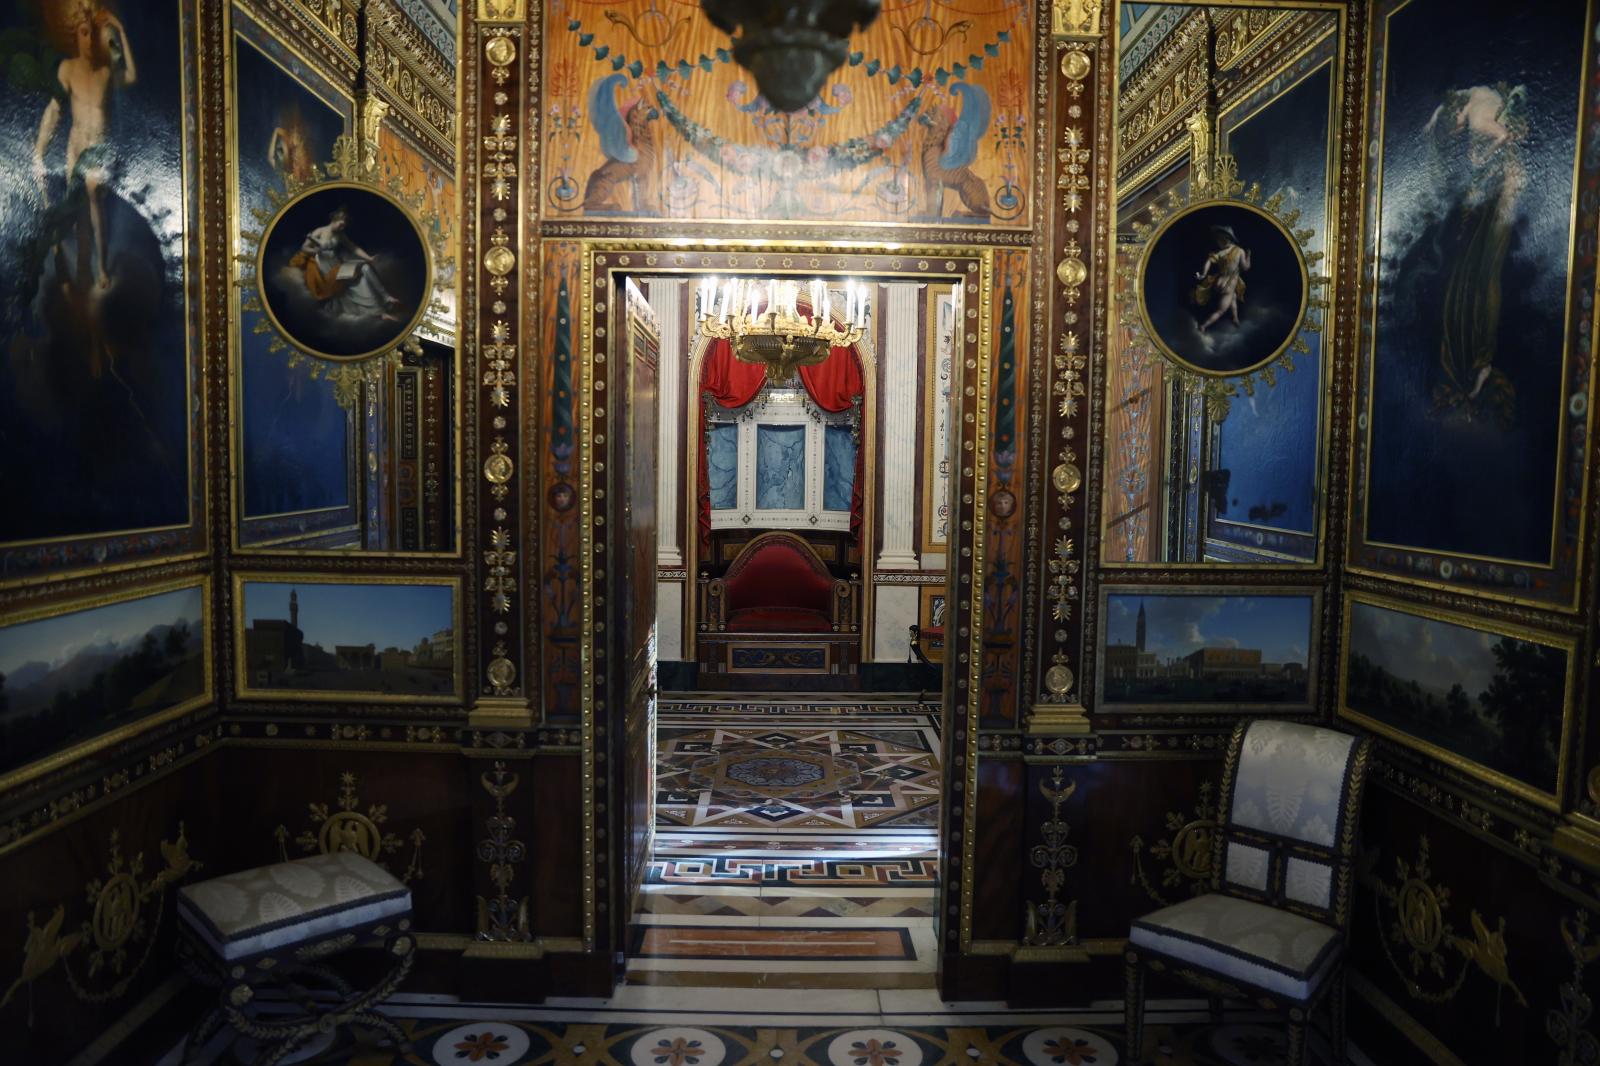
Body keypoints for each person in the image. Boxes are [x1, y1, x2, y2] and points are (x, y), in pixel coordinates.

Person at [31, 0, 137, 290]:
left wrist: (120, 29)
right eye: (83, 33)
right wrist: (39, 149)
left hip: (99, 150)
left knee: (92, 196)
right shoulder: (68, 68)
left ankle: (101, 267)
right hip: (76, 148)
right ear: (75, 36)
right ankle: (80, 273)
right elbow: (54, 110)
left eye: (92, 32)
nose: (89, 39)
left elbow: (131, 76)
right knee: (78, 215)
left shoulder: (105, 72)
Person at [288, 207, 403, 326]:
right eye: (341, 224)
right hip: (324, 267)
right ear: (334, 219)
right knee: (360, 279)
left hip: (336, 263)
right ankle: (381, 313)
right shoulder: (319, 231)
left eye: (344, 226)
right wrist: (316, 250)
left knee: (366, 267)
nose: (342, 228)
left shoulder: (340, 235)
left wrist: (369, 258)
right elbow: (304, 247)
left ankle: (386, 297)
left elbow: (353, 247)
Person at [1191, 225, 1250, 333]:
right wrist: (1248, 256)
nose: (1218, 242)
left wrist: (1203, 274)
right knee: (1220, 310)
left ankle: (1235, 318)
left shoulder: (1220, 253)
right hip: (1228, 284)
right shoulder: (1240, 251)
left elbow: (1209, 261)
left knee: (1233, 296)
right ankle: (1204, 325)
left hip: (1219, 282)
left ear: (1226, 238)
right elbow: (1245, 267)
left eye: (1219, 240)